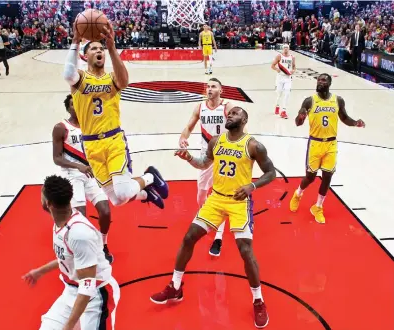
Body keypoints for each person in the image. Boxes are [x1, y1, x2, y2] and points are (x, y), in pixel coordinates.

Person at [150, 106, 276, 329]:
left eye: (236, 113)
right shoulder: (216, 141)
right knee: (189, 238)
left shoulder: (253, 145)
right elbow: (203, 164)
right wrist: (188, 157)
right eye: (230, 113)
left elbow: (271, 172)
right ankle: (175, 287)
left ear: (245, 120)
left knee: (246, 251)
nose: (230, 115)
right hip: (216, 199)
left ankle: (258, 300)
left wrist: (252, 186)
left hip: (239, 201)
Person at [63, 20, 168, 209]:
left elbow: (125, 81)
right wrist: (75, 41)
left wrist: (112, 48)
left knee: (122, 192)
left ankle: (150, 175)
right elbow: (68, 74)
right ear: (85, 56)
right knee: (117, 200)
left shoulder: (112, 78)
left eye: (100, 49)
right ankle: (145, 193)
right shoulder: (79, 79)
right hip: (91, 145)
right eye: (93, 48)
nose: (98, 51)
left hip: (113, 141)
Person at [23, 175, 119, 330]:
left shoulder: (79, 234)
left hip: (95, 296)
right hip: (71, 291)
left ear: (49, 204)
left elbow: (87, 287)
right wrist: (40, 271)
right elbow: (68, 258)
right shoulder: (62, 221)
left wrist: (69, 326)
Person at [290, 73, 365, 223]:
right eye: (318, 80)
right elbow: (297, 123)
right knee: (310, 177)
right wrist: (301, 117)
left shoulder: (337, 100)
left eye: (323, 80)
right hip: (315, 143)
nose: (320, 82)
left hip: (331, 143)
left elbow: (344, 118)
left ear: (329, 83)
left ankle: (317, 207)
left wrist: (355, 122)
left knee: (327, 176)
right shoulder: (309, 101)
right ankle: (298, 193)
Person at [178, 77, 237, 257]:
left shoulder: (227, 107)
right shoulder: (200, 107)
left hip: (224, 157)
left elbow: (240, 128)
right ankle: (210, 216)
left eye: (213, 87)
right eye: (208, 86)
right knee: (201, 194)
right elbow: (188, 126)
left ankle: (218, 237)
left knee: (221, 196)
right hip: (206, 156)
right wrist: (183, 137)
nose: (209, 89)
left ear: (221, 90)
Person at [53, 94, 113, 263]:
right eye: (72, 104)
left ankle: (103, 244)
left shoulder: (91, 126)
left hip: (90, 173)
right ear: (68, 108)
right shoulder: (61, 127)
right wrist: (78, 166)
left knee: (105, 211)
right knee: (81, 218)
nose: (76, 106)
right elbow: (56, 158)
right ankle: (79, 252)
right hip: (72, 175)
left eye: (78, 103)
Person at [271, 44, 295, 119]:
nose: (285, 49)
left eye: (287, 48)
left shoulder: (292, 57)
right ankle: (277, 105)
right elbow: (272, 65)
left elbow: (294, 66)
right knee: (279, 93)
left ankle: (284, 110)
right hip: (280, 77)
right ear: (282, 48)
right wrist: (276, 69)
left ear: (289, 48)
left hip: (288, 77)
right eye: (284, 47)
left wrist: (293, 71)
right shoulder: (279, 56)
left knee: (287, 93)